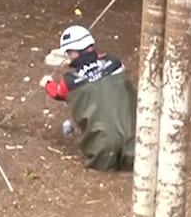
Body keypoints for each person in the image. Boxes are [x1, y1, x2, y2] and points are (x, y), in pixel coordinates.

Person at [40, 25, 136, 171]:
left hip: (103, 152)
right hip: (135, 143)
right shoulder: (115, 62)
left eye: (68, 53)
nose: (67, 56)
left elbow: (57, 93)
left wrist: (47, 84)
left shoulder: (70, 81)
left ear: (74, 53)